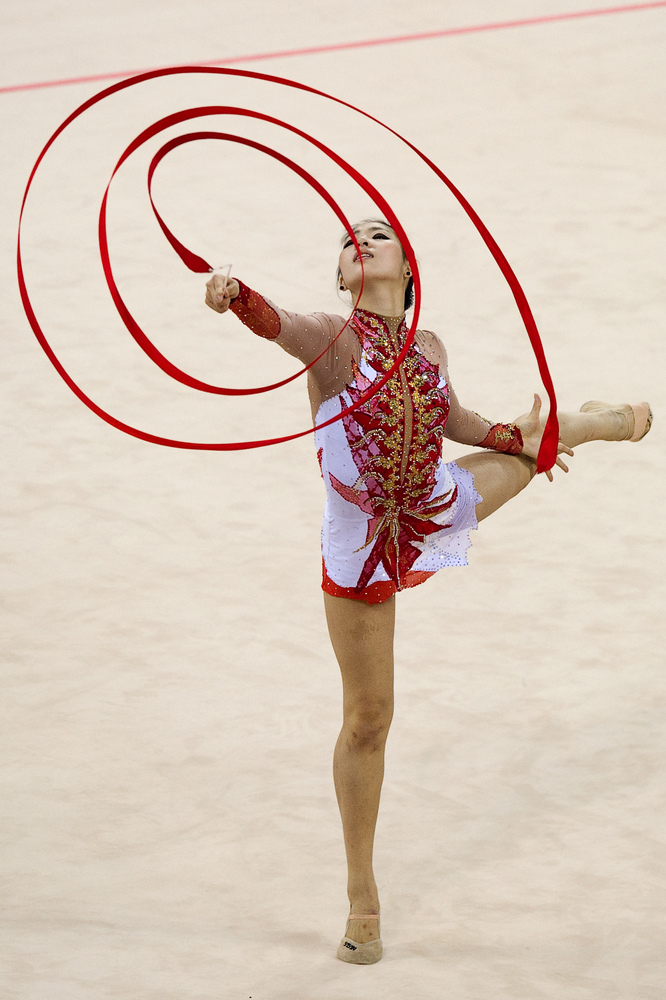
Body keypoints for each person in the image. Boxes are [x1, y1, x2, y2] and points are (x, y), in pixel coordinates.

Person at [205, 219, 652, 964]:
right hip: (361, 547)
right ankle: (362, 893)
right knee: (371, 717)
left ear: (408, 265)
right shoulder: (331, 339)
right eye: (349, 242)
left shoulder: (429, 347)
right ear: (344, 278)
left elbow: (458, 421)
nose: (362, 242)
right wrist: (232, 293)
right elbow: (274, 324)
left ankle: (578, 426)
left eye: (378, 234)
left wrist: (518, 442)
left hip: (437, 497)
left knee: (531, 446)